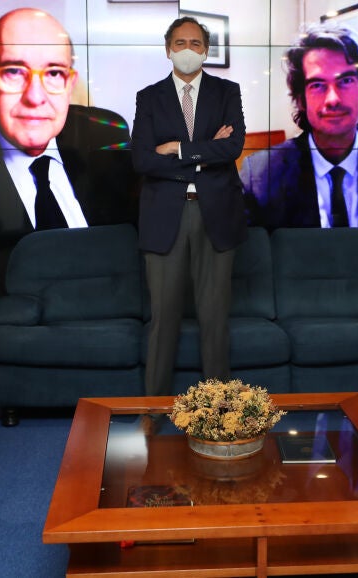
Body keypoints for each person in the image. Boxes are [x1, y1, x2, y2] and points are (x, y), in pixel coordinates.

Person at [0, 8, 137, 316]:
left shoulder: (105, 134)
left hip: (106, 311)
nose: (35, 97)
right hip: (19, 315)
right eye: (13, 71)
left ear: (70, 83)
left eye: (54, 73)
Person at [132, 16, 247, 398]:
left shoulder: (227, 92)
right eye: (180, 43)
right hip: (166, 217)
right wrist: (204, 154)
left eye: (195, 43)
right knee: (163, 321)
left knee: (214, 320)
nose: (187, 50)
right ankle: (153, 411)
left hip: (216, 215)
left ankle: (219, 412)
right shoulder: (149, 97)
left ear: (206, 51)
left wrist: (176, 149)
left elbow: (232, 147)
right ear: (168, 50)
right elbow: (143, 160)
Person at [240, 22, 358, 230]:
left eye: (346, 81)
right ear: (301, 99)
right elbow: (251, 251)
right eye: (317, 85)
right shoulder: (260, 176)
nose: (333, 99)